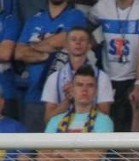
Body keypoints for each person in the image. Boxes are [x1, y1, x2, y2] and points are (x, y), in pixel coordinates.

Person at [14, 0, 88, 133]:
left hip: (64, 97)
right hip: (34, 96)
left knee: (60, 150)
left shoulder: (76, 16)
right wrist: (47, 56)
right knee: (31, 148)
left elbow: (64, 38)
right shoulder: (34, 19)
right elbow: (19, 53)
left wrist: (31, 48)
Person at [88, 0, 139, 132]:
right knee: (110, 123)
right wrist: (97, 49)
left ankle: (134, 152)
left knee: (136, 111)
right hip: (110, 75)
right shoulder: (102, 6)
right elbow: (84, 28)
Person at [41, 26, 113, 122]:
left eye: (82, 40)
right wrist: (68, 100)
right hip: (63, 132)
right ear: (66, 45)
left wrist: (81, 97)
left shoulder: (102, 78)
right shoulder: (54, 78)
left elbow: (105, 117)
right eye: (73, 39)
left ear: (89, 45)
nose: (78, 43)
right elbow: (48, 120)